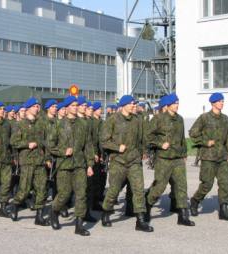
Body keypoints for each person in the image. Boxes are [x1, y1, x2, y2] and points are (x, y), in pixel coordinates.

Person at [99, 95, 153, 232]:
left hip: (134, 161)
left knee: (139, 190)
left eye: (135, 104)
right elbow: (104, 141)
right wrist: (117, 147)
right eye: (132, 104)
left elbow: (142, 138)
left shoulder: (137, 120)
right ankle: (106, 212)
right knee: (114, 190)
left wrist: (144, 151)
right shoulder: (112, 120)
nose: (134, 106)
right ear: (124, 105)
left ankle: (140, 220)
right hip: (118, 161)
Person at [145, 93, 195, 227]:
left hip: (178, 158)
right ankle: (147, 207)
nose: (177, 105)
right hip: (164, 158)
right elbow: (147, 136)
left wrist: (184, 153)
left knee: (181, 186)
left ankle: (183, 216)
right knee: (159, 187)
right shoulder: (158, 119)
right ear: (167, 106)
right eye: (174, 103)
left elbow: (182, 138)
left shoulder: (180, 119)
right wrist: (160, 144)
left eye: (178, 103)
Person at [47, 96, 94, 236]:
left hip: (79, 164)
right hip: (64, 165)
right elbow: (50, 145)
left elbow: (88, 146)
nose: (75, 107)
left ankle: (79, 225)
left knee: (81, 195)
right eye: (73, 105)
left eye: (76, 105)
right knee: (64, 194)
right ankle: (54, 212)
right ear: (66, 108)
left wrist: (90, 165)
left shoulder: (83, 124)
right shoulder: (58, 124)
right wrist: (62, 152)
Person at [189, 92, 228, 221]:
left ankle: (223, 210)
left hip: (222, 157)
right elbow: (193, 133)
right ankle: (195, 201)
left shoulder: (225, 118)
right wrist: (205, 141)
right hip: (208, 157)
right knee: (207, 184)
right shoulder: (204, 118)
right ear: (213, 103)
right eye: (220, 101)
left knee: (224, 183)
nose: (222, 103)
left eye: (223, 101)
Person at [10, 98, 49, 226]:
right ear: (28, 108)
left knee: (42, 188)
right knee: (24, 189)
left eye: (38, 106)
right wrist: (27, 144)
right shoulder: (20, 124)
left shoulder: (41, 123)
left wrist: (47, 158)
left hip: (39, 160)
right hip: (26, 161)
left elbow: (46, 142)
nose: (37, 108)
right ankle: (15, 206)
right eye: (35, 106)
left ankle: (39, 216)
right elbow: (13, 142)